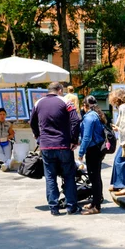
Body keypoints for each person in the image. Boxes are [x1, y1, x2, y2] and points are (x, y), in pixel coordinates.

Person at [30, 82, 81, 216]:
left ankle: (54, 207)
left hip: (46, 145)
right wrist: (74, 140)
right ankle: (71, 206)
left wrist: (38, 136)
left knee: (50, 177)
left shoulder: (38, 103)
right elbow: (76, 120)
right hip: (63, 145)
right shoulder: (66, 102)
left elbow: (32, 122)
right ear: (59, 90)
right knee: (69, 175)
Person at [78, 96, 106, 215]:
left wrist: (81, 153)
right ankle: (95, 202)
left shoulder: (89, 117)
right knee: (95, 177)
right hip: (98, 149)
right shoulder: (97, 115)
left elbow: (87, 137)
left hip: (93, 150)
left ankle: (96, 207)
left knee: (94, 178)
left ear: (85, 105)